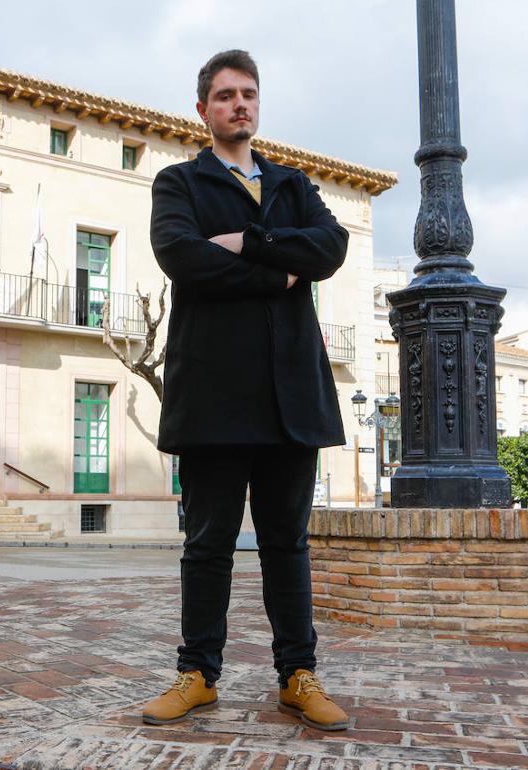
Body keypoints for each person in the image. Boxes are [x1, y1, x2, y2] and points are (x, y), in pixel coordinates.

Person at [140, 49, 351, 732]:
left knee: (287, 544)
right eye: (226, 94)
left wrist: (249, 239)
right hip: (213, 395)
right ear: (202, 108)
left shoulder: (292, 184)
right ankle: (197, 675)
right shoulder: (179, 183)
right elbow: (183, 258)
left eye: (249, 94)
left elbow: (329, 247)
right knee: (208, 543)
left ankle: (297, 675)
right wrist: (280, 271)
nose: (240, 104)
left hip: (293, 393)